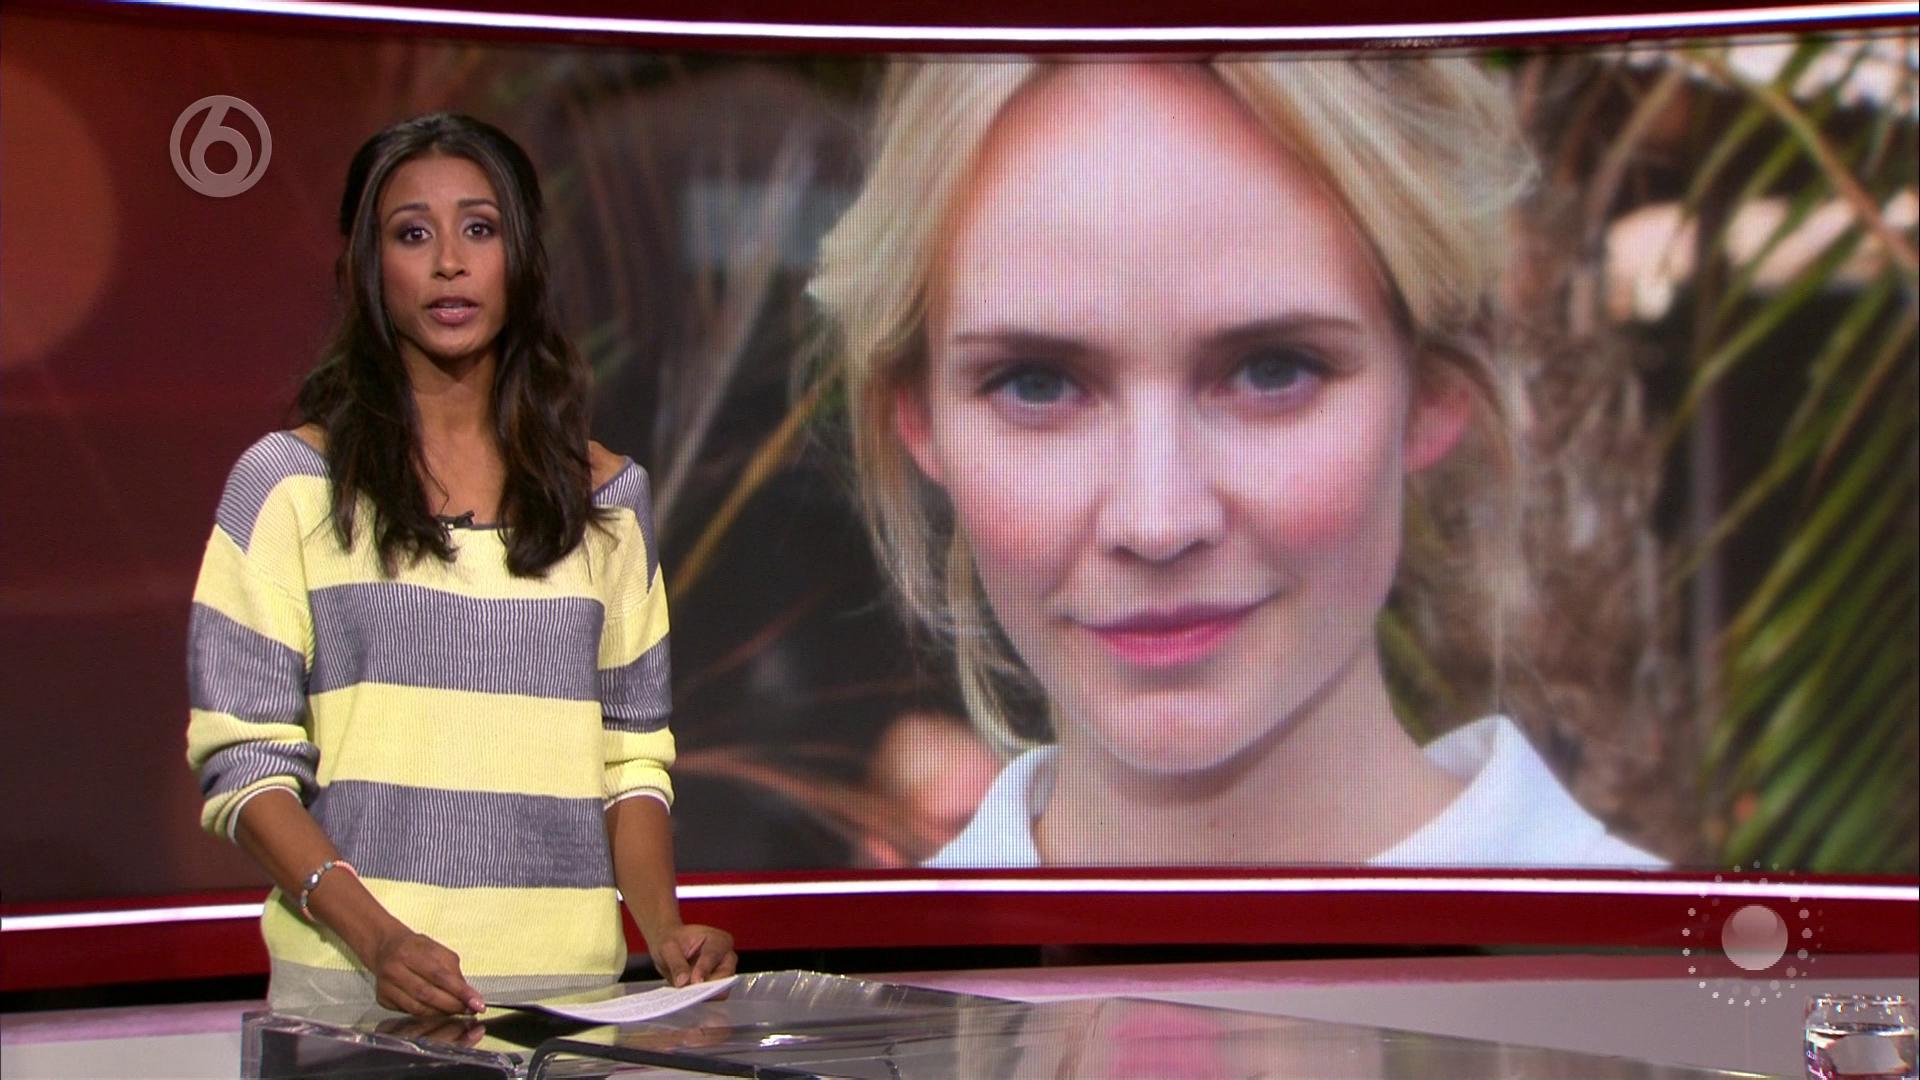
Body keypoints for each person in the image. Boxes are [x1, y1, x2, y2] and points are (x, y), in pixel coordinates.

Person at [809, 60, 1664, 868]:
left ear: (1435, 389)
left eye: (1272, 371)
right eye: (1037, 383)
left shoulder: (1680, 967)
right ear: (918, 418)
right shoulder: (847, 976)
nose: (1157, 521)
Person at [185, 112, 735, 1015]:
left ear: (521, 257)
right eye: (413, 234)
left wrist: (665, 930)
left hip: (570, 1008)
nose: (450, 262)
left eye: (479, 229)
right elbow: (244, 764)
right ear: (369, 267)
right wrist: (379, 940)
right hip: (355, 1002)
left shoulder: (606, 498)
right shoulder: (287, 485)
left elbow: (632, 759)